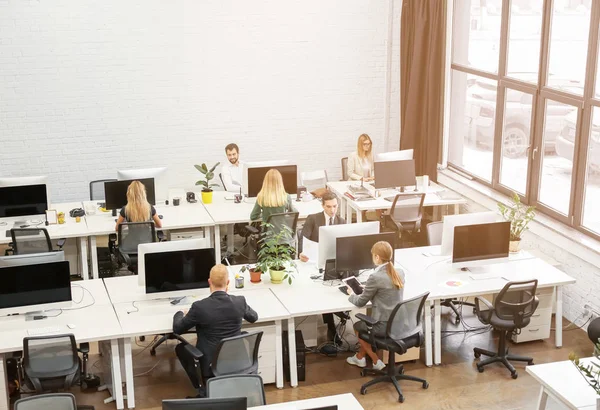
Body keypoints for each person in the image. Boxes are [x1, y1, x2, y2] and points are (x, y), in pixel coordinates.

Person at [172, 264, 258, 395]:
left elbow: (177, 329)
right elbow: (253, 317)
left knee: (180, 348)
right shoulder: (239, 301)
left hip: (210, 364)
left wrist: (179, 313)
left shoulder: (199, 307)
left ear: (209, 282)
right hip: (237, 360)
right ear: (228, 282)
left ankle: (202, 387)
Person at [345, 241, 405, 371]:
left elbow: (360, 302)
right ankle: (360, 357)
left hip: (384, 326)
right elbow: (386, 289)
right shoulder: (400, 272)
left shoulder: (375, 277)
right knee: (366, 327)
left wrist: (350, 294)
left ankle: (376, 360)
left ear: (377, 257)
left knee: (358, 327)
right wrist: (369, 288)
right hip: (400, 323)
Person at [298, 191, 346, 344]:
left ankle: (335, 315)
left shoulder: (342, 222)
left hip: (333, 262)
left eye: (335, 206)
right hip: (313, 262)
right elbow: (303, 238)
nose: (332, 210)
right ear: (323, 205)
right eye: (329, 207)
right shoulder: (314, 219)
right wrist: (301, 252)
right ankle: (331, 325)